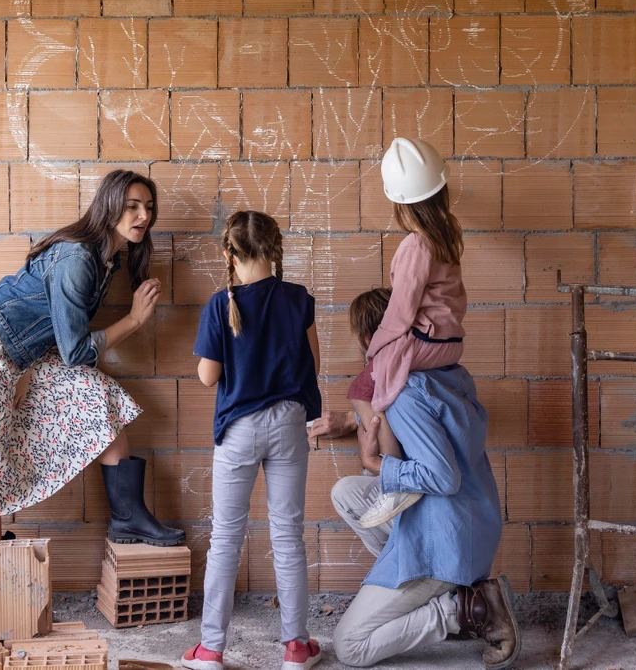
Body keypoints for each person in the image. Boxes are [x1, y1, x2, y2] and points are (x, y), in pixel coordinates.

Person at [0, 169, 185, 547]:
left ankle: (128, 519)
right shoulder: (78, 258)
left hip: (19, 354)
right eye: (132, 207)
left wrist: (28, 367)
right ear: (109, 208)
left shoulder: (106, 259)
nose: (143, 216)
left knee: (98, 398)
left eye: (149, 208)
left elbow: (58, 329)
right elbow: (75, 351)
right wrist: (134, 320)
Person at [329, 288, 519, 669]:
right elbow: (422, 434)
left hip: (444, 540)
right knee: (347, 493)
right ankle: (418, 591)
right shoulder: (450, 375)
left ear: (371, 340)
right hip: (472, 521)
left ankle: (466, 609)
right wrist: (353, 421)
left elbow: (440, 475)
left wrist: (376, 465)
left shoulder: (404, 394)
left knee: (348, 645)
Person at [180, 211, 324, 670]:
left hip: (239, 429)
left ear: (228, 253)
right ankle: (296, 648)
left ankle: (210, 650)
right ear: (275, 249)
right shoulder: (298, 299)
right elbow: (313, 364)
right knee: (288, 537)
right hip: (288, 423)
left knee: (226, 538)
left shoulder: (219, 306)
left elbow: (207, 378)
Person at [351, 137, 469, 530]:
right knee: (377, 381)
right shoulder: (447, 234)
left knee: (366, 387)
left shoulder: (416, 245)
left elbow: (400, 315)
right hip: (449, 343)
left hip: (426, 342)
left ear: (399, 203)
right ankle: (394, 467)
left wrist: (376, 354)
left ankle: (394, 477)